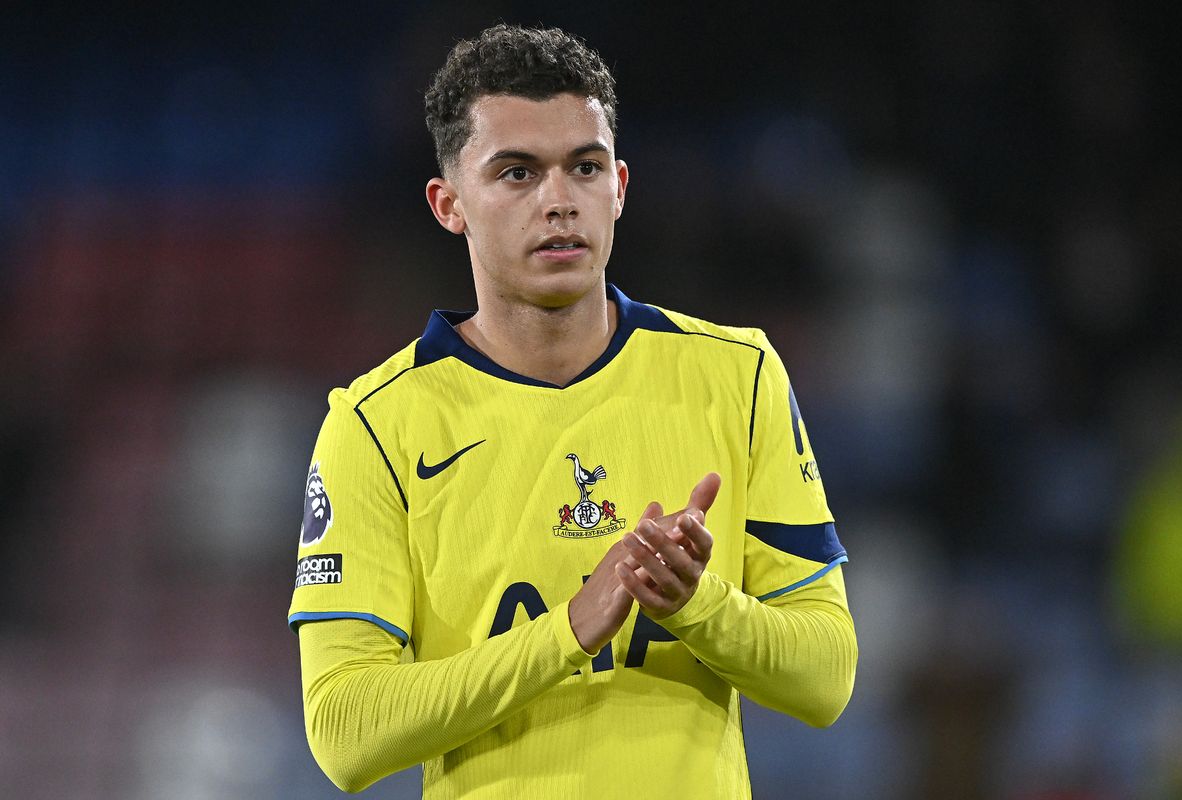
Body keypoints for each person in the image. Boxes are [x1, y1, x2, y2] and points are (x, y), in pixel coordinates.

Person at [287, 23, 857, 799]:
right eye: (517, 174)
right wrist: (566, 631)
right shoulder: (374, 426)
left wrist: (696, 605)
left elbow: (826, 679)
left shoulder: (738, 375)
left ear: (618, 188)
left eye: (583, 168)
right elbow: (345, 734)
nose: (558, 201)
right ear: (448, 203)